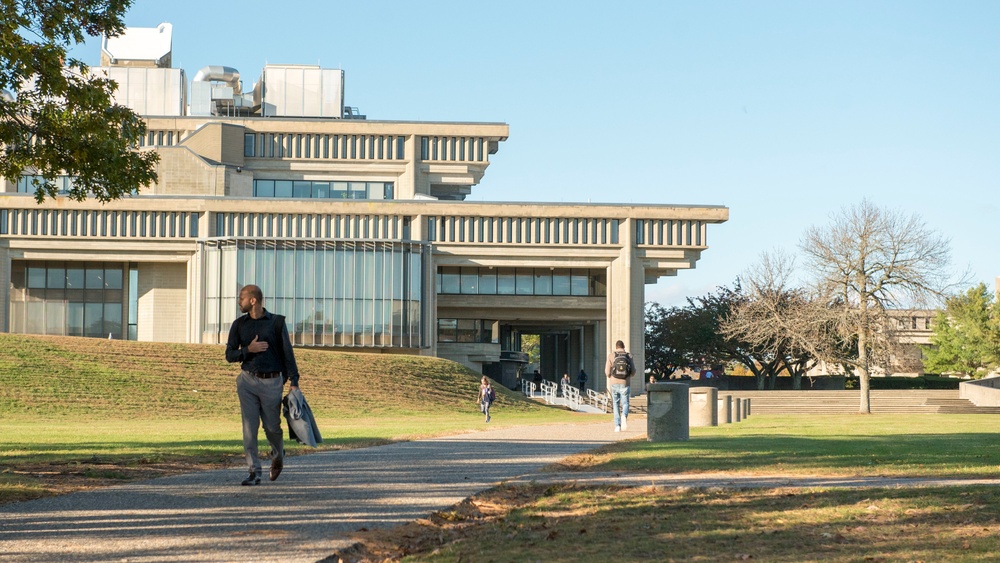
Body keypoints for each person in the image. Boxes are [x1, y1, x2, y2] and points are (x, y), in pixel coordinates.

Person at [225, 284, 300, 486]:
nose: (238, 301)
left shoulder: (276, 322)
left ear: (253, 300)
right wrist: (248, 350)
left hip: (273, 382)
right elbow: (229, 355)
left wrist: (294, 381)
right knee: (249, 428)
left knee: (272, 428)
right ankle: (254, 472)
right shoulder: (239, 325)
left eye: (241, 298)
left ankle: (278, 455)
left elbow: (287, 353)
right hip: (247, 381)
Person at [604, 339, 634, 432]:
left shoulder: (611, 356)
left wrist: (610, 376)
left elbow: (607, 372)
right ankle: (624, 416)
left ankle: (617, 425)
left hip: (614, 383)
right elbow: (633, 371)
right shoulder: (629, 355)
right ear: (623, 347)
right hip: (625, 383)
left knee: (616, 404)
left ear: (616, 347)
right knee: (625, 403)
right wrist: (629, 376)